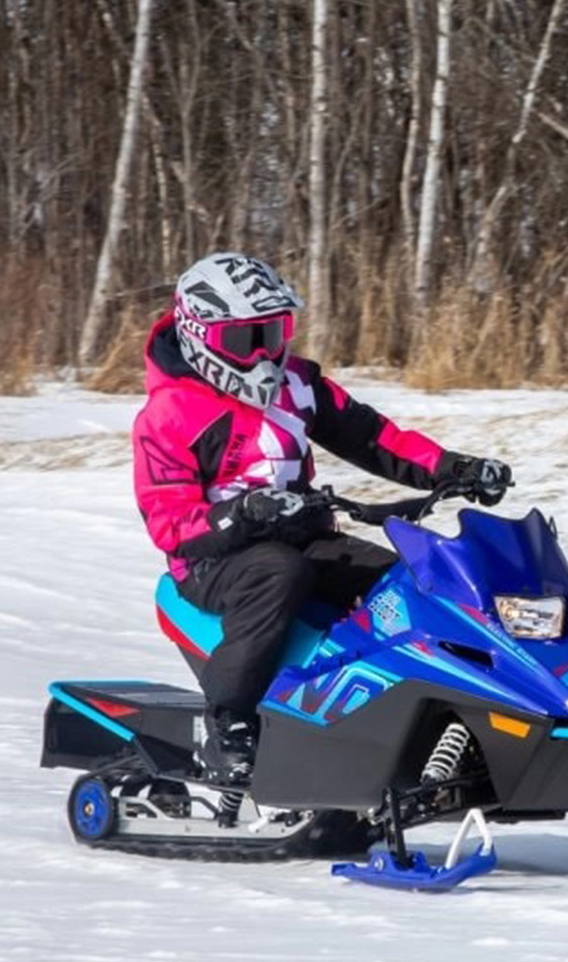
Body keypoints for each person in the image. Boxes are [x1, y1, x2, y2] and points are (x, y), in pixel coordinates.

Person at [132, 251, 510, 787]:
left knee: (406, 579)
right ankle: (231, 725)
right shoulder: (168, 416)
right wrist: (243, 513)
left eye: (275, 332)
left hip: (300, 535)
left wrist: (454, 469)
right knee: (277, 571)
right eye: (246, 340)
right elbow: (169, 524)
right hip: (212, 562)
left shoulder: (298, 383)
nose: (265, 353)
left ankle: (417, 720)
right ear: (201, 337)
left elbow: (373, 437)